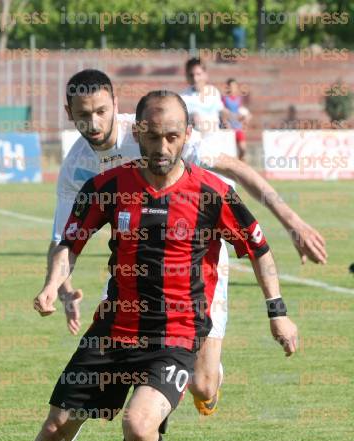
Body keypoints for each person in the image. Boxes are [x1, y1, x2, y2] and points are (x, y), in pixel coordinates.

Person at [0, 90, 298, 441]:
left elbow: (258, 248)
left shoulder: (212, 194)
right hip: (112, 330)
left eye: (172, 136)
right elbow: (70, 241)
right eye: (152, 136)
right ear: (137, 132)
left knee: (139, 426)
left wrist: (278, 313)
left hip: (175, 335)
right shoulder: (109, 186)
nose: (161, 148)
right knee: (55, 428)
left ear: (187, 136)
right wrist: (52, 282)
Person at [51, 69, 325, 417]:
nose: (93, 123)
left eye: (100, 111)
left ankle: (195, 380)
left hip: (197, 256)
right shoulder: (76, 168)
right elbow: (63, 238)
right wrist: (62, 286)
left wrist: (293, 222)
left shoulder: (156, 129)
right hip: (134, 265)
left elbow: (238, 170)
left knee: (203, 385)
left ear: (114, 106)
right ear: (69, 113)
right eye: (83, 115)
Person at [180, 58, 224, 136]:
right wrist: (190, 118)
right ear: (187, 76)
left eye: (198, 74)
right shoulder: (182, 97)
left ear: (205, 74)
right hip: (194, 144)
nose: (195, 79)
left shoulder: (214, 91)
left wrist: (236, 116)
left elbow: (222, 113)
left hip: (215, 141)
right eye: (191, 75)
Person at [222, 78, 251, 161]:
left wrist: (245, 119)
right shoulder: (224, 99)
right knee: (232, 153)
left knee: (243, 149)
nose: (233, 88)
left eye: (234, 86)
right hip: (229, 129)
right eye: (230, 86)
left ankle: (241, 163)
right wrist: (225, 123)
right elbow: (222, 112)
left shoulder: (239, 99)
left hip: (238, 127)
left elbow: (241, 112)